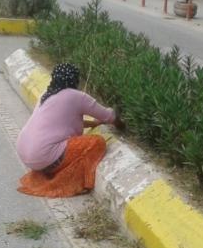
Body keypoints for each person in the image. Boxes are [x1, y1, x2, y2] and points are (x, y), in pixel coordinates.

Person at [15, 63, 123, 198]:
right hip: (43, 157)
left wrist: (94, 123)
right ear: (74, 80)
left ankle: (48, 167)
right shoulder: (76, 96)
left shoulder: (46, 94)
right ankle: (72, 183)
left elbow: (63, 123)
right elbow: (109, 116)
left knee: (69, 145)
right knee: (97, 143)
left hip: (25, 153)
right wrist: (121, 125)